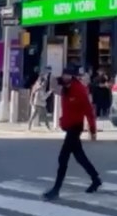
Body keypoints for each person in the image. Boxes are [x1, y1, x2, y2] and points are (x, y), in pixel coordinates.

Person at [43, 66, 101, 200]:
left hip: (75, 127)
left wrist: (92, 130)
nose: (64, 77)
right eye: (64, 75)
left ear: (73, 77)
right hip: (68, 126)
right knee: (80, 157)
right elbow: (52, 85)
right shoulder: (64, 88)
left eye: (68, 75)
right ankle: (95, 179)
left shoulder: (79, 90)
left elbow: (89, 111)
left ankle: (56, 189)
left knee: (63, 158)